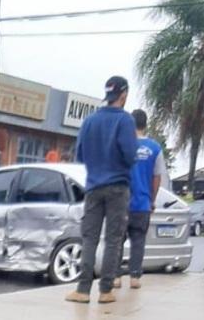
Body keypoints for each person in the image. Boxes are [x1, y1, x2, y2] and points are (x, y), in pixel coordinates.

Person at [66, 76, 137, 304]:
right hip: (117, 187)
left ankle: (83, 290)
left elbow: (80, 156)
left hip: (93, 187)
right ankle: (105, 291)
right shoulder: (125, 121)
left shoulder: (89, 121)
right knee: (113, 240)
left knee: (89, 238)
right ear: (123, 95)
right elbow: (130, 155)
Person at [114, 109, 164, 289]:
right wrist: (152, 199)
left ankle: (115, 277)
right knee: (138, 240)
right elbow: (157, 177)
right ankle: (135, 277)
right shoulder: (155, 148)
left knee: (117, 239)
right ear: (145, 124)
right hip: (142, 204)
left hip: (121, 202)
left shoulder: (122, 145)